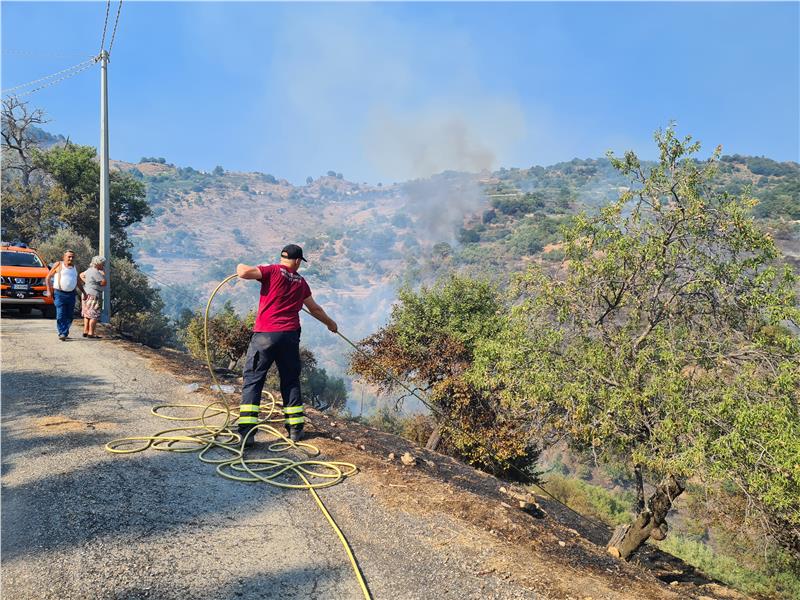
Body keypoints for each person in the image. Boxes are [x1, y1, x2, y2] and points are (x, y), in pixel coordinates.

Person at [236, 244, 338, 446]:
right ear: (298, 261)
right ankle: (295, 430)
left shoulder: (272, 270)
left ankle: (247, 434)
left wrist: (240, 265)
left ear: (282, 258)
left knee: (253, 380)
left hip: (265, 335)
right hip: (290, 336)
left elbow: (243, 272)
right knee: (290, 381)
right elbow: (315, 309)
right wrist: (330, 324)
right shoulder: (301, 282)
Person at [46, 250, 85, 341]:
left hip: (71, 294)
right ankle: (62, 333)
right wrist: (48, 290)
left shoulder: (75, 267)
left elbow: (78, 281)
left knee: (69, 315)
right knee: (60, 314)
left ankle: (65, 332)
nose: (71, 259)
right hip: (59, 294)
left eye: (72, 257)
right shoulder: (58, 265)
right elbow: (48, 277)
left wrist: (84, 292)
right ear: (64, 257)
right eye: (69, 257)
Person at [80, 256, 107, 339]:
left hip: (85, 293)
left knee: (86, 313)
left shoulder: (89, 270)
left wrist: (87, 282)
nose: (103, 265)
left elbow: (81, 275)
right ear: (98, 264)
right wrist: (103, 274)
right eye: (102, 264)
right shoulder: (96, 272)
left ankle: (85, 331)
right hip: (93, 295)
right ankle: (91, 333)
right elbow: (104, 282)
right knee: (94, 314)